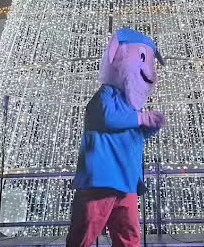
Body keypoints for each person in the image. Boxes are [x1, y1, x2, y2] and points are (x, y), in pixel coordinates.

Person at [65, 27, 166, 247]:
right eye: (142, 58)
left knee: (128, 237)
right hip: (101, 180)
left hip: (127, 181)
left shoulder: (132, 106)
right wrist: (141, 119)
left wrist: (150, 125)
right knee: (85, 232)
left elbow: (132, 136)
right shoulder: (105, 94)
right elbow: (109, 118)